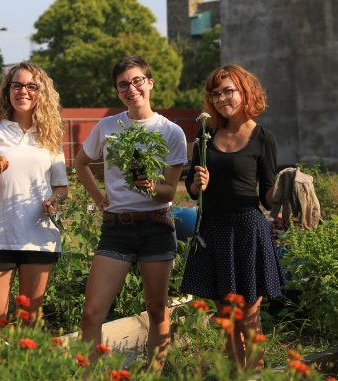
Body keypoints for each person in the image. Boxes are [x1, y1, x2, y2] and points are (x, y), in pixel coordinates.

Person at [73, 56, 187, 371]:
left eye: (137, 80)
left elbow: (169, 191)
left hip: (156, 227)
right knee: (92, 313)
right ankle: (89, 377)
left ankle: (152, 374)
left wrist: (151, 187)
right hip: (116, 228)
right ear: (117, 91)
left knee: (156, 310)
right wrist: (98, 198)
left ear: (150, 82)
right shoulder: (108, 126)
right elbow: (81, 163)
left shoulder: (171, 131)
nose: (131, 88)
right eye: (123, 84)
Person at [180, 64, 284, 370]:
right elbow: (190, 188)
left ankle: (254, 374)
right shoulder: (206, 132)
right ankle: (235, 376)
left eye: (229, 90)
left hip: (248, 229)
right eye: (216, 92)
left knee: (248, 317)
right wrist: (196, 185)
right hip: (212, 229)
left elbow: (266, 193)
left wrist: (281, 191)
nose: (222, 97)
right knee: (226, 318)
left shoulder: (263, 137)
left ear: (244, 91)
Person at [0, 62, 68, 325]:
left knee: (29, 322)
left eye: (31, 86)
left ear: (42, 93)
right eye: (17, 85)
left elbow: (61, 186)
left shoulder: (51, 136)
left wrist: (54, 201)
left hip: (38, 238)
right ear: (7, 90)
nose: (23, 91)